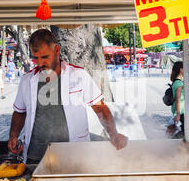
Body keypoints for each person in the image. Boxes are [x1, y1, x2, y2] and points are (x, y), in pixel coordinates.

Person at [8, 29, 128, 164]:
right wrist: (13, 136)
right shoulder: (26, 80)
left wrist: (113, 134)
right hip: (35, 156)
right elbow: (19, 112)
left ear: (57, 50)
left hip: (73, 154)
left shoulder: (79, 75)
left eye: (45, 57)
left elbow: (99, 108)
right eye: (36, 58)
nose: (40, 63)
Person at [170, 61, 184, 136]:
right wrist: (178, 114)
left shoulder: (176, 82)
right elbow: (178, 100)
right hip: (180, 111)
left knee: (180, 131)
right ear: (181, 69)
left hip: (178, 110)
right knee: (183, 133)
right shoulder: (179, 83)